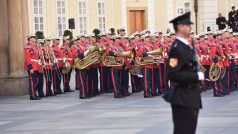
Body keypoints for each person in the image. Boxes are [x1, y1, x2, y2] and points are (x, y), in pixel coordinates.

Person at [163, 12, 204, 134]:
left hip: (190, 97)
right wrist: (196, 76)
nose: (190, 27)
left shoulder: (185, 46)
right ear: (180, 26)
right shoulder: (177, 48)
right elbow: (173, 73)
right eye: (187, 25)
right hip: (183, 98)